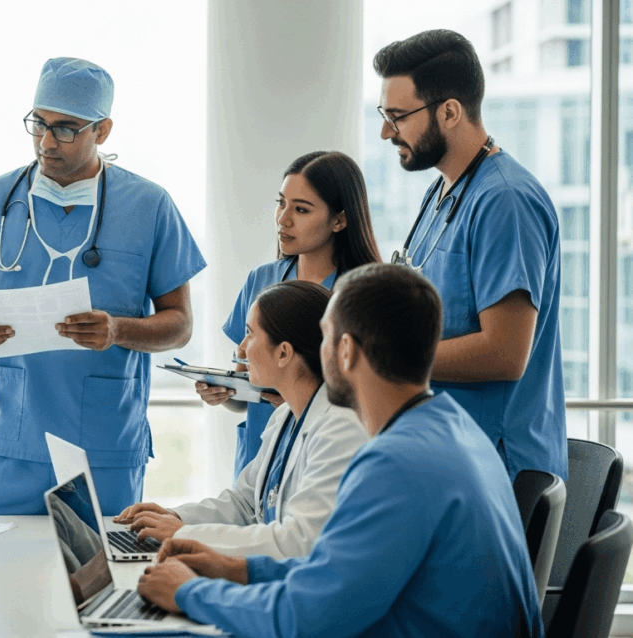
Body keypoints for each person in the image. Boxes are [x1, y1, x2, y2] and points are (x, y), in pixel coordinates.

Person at [137, 264, 543, 638]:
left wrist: (191, 593)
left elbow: (309, 616)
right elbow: (341, 574)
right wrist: (239, 569)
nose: (318, 350)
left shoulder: (397, 462)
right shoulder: (454, 431)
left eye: (325, 337)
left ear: (345, 350)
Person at [0, 58, 206, 515]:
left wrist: (118, 331)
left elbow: (179, 326)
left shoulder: (149, 206)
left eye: (66, 128)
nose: (46, 142)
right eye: (39, 124)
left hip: (103, 444)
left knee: (100, 579)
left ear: (102, 131)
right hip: (9, 443)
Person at [374, 29, 565, 480]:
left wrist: (385, 360)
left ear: (451, 111)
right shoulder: (442, 191)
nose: (386, 131)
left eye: (398, 117)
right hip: (449, 453)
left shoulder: (505, 201)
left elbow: (505, 353)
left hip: (497, 468)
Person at [114, 281, 367, 559]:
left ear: (283, 353)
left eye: (249, 334)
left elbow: (299, 542)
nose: (242, 349)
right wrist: (174, 517)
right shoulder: (284, 416)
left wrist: (183, 534)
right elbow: (245, 504)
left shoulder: (341, 427)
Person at [198, 151, 381, 478]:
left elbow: (371, 398)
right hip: (259, 457)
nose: (283, 219)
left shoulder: (361, 294)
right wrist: (226, 393)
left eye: (301, 209)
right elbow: (248, 380)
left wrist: (298, 403)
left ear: (339, 220)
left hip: (322, 455)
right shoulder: (261, 280)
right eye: (281, 203)